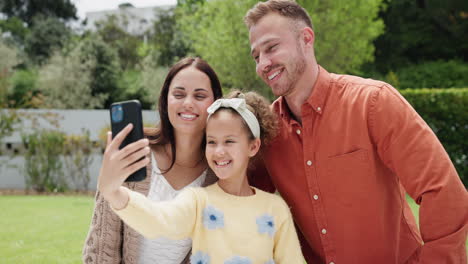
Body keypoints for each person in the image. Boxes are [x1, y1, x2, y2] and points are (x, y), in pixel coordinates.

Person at [244, 1, 468, 263]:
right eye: (256, 56)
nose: (263, 64)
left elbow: (442, 191)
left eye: (271, 48)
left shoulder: (373, 103)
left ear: (306, 39)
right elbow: (240, 200)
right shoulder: (267, 132)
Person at [96, 91, 305, 264]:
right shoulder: (198, 201)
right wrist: (114, 194)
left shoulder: (275, 209)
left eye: (229, 141)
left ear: (253, 146)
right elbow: (160, 221)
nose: (218, 151)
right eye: (212, 142)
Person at [82, 57, 223, 264]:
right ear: (166, 100)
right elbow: (103, 246)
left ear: (215, 103)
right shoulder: (134, 153)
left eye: (200, 96)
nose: (188, 103)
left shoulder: (219, 172)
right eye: (178, 94)